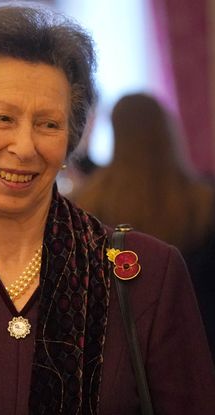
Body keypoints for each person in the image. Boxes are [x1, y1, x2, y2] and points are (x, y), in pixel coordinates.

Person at [0, 6, 215, 415]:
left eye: (48, 124)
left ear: (70, 140)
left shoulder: (146, 274)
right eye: (2, 118)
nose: (25, 147)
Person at [76, 93, 215, 359]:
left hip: (124, 352)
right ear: (168, 130)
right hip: (200, 345)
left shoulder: (91, 202)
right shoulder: (205, 202)